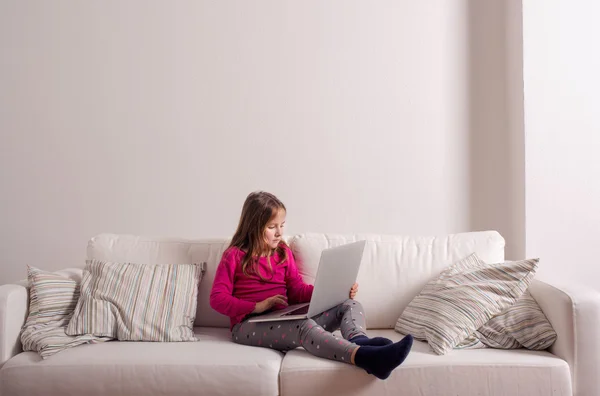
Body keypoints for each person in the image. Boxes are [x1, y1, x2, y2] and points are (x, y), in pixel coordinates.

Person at [209, 191, 413, 379]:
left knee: (349, 304)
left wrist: (335, 291)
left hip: (283, 317)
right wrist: (257, 306)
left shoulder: (282, 252)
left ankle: (361, 341)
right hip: (248, 325)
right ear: (253, 227)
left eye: (282, 225)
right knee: (304, 326)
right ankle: (366, 358)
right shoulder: (234, 256)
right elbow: (217, 299)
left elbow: (296, 291)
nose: (279, 232)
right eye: (272, 227)